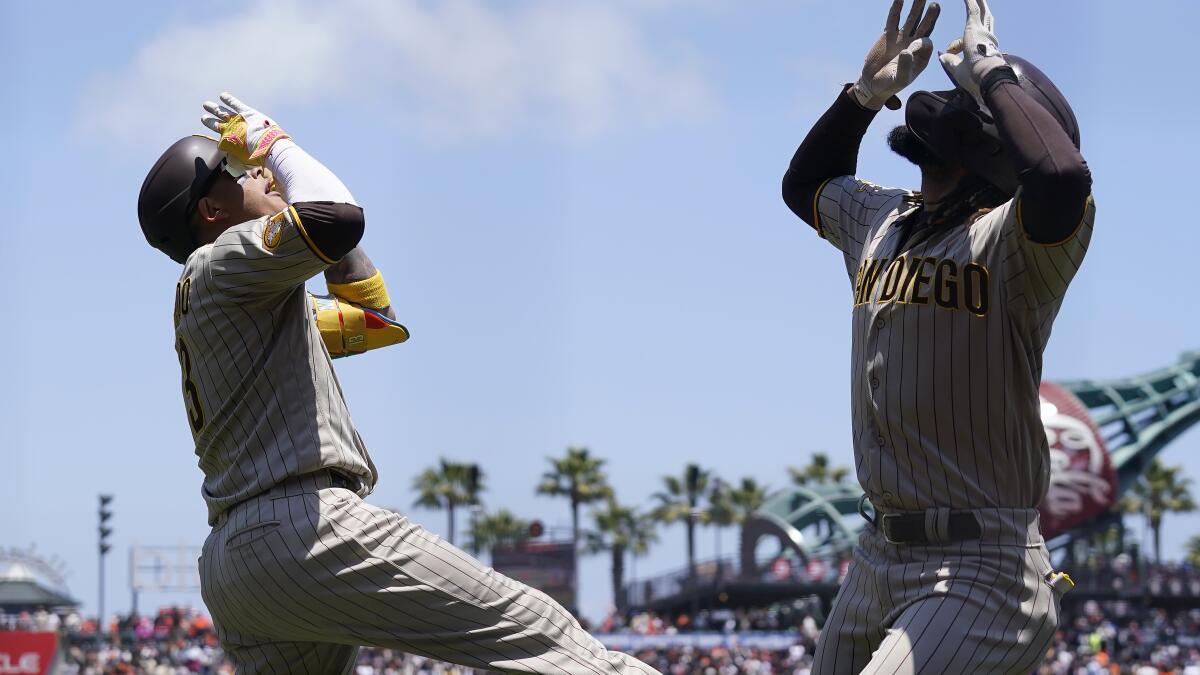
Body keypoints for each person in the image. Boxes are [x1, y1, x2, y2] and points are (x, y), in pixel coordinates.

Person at [137, 93, 658, 675]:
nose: (256, 169)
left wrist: (299, 219)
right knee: (544, 636)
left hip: (238, 564)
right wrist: (276, 143)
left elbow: (374, 319)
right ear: (210, 212)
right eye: (236, 169)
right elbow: (337, 215)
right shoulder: (222, 261)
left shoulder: (232, 295)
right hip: (302, 527)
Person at [780, 0, 1094, 672]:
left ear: (995, 143)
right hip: (879, 552)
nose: (949, 89)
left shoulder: (1015, 244)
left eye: (964, 96)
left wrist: (995, 75)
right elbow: (804, 184)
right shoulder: (882, 217)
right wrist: (863, 96)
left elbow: (1061, 174)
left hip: (984, 568)